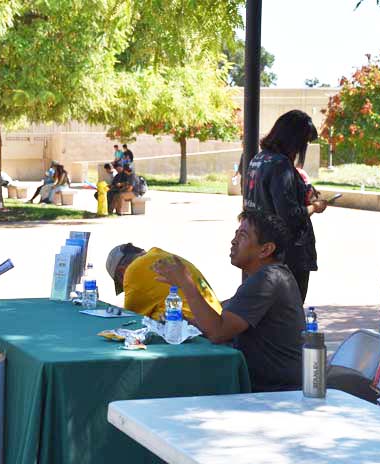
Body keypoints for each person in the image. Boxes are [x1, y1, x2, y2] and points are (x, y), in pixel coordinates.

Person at [154, 211, 304, 392]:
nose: (233, 241)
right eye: (236, 234)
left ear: (265, 249)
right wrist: (189, 322)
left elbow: (218, 332)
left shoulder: (267, 279)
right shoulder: (270, 276)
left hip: (272, 392)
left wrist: (186, 284)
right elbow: (222, 321)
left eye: (242, 236)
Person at [243, 109, 328, 302]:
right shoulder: (280, 164)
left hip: (260, 248)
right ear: (294, 140)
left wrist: (303, 192)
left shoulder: (259, 159)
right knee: (288, 313)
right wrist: (315, 207)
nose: (301, 149)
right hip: (285, 255)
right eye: (303, 143)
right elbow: (289, 215)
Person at [106, 243, 222, 322]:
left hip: (188, 328)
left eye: (123, 284)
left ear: (122, 272)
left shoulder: (133, 269)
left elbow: (131, 318)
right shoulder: (162, 255)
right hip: (212, 321)